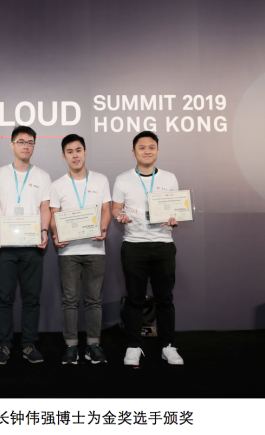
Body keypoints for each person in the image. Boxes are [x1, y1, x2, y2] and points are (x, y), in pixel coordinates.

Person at [112, 130, 184, 366]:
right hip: (134, 245)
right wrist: (120, 216)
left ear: (157, 151)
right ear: (134, 152)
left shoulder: (169, 178)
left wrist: (174, 217)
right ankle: (133, 346)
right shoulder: (123, 179)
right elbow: (116, 208)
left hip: (163, 244)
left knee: (165, 299)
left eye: (151, 147)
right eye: (142, 147)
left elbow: (176, 209)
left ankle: (168, 346)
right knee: (135, 299)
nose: (147, 151)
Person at [0, 125, 52, 364]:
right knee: (4, 299)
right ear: (12, 144)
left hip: (32, 246)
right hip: (5, 247)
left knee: (31, 298)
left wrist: (44, 230)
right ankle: (4, 345)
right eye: (21, 142)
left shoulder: (42, 176)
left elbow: (45, 208)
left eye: (30, 142)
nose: (26, 146)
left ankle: (28, 344)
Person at [49, 134, 112, 364]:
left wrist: (103, 228)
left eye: (78, 150)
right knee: (70, 300)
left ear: (85, 152)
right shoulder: (57, 185)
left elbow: (106, 211)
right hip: (68, 251)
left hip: (95, 249)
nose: (75, 155)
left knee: (94, 300)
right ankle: (71, 346)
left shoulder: (101, 180)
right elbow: (54, 216)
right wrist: (56, 233)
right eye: (70, 151)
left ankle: (93, 345)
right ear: (63, 155)